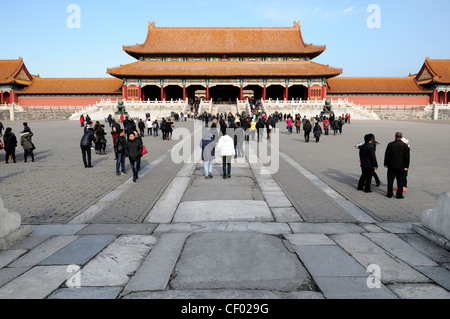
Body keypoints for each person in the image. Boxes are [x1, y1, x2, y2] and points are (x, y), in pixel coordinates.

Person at [384, 132, 410, 199]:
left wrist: (385, 163)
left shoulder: (390, 144)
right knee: (400, 181)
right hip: (401, 166)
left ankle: (389, 194)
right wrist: (407, 166)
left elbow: (387, 155)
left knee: (390, 180)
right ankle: (399, 195)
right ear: (401, 137)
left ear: (395, 137)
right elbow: (407, 157)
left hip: (391, 166)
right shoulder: (405, 145)